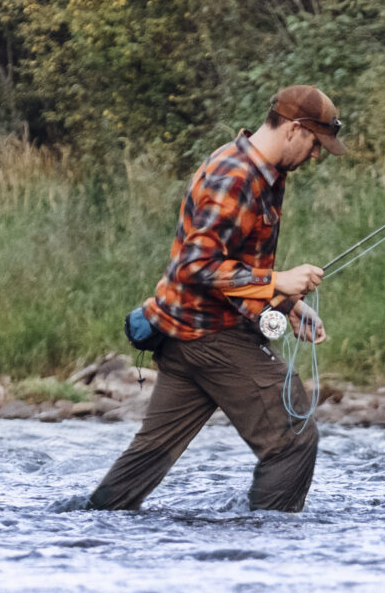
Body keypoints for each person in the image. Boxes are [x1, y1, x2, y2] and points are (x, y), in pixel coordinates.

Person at [87, 86, 345, 512]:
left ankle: (90, 527)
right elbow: (195, 265)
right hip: (210, 336)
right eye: (316, 144)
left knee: (146, 460)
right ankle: (267, 549)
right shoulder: (236, 175)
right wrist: (278, 280)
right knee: (294, 437)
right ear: (295, 130)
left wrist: (282, 303)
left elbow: (232, 266)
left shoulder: (263, 172)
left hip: (185, 336)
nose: (316, 156)